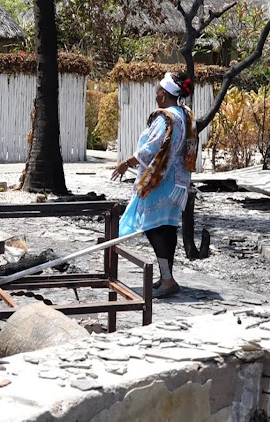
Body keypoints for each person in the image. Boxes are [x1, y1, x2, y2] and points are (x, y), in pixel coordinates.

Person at [111, 71, 196, 299]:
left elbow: (150, 150)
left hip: (161, 182)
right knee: (168, 227)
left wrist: (125, 163)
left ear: (164, 94)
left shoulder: (165, 117)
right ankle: (166, 275)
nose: (156, 93)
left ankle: (167, 279)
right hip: (178, 183)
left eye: (158, 89)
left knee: (153, 227)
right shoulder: (185, 115)